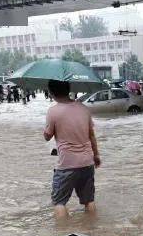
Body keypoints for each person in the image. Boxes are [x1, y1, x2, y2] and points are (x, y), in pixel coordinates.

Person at [43, 79, 101, 218]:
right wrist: (96, 155)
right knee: (89, 200)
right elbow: (91, 135)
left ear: (51, 92)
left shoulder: (53, 111)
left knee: (59, 202)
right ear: (68, 90)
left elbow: (47, 136)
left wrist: (46, 129)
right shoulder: (83, 108)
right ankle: (92, 227)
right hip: (87, 162)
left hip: (66, 164)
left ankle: (63, 232)